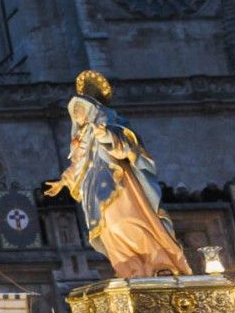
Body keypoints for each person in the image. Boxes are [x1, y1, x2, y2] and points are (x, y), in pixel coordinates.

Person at [44, 71, 190, 279]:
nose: (76, 114)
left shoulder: (109, 124)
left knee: (129, 221)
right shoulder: (79, 139)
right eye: (74, 111)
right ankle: (130, 269)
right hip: (95, 190)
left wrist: (106, 135)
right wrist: (64, 181)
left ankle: (159, 264)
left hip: (118, 182)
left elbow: (127, 147)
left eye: (80, 109)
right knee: (109, 230)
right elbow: (79, 164)